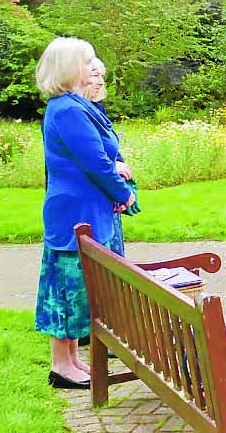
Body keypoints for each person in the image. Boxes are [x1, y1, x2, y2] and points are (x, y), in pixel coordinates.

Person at [34, 37, 136, 390]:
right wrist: (123, 193)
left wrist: (118, 169)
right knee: (66, 289)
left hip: (89, 211)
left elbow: (104, 156)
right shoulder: (67, 110)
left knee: (81, 288)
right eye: (87, 60)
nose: (95, 66)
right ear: (68, 67)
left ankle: (74, 360)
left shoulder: (77, 106)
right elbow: (94, 163)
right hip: (73, 214)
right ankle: (61, 367)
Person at [85, 57, 132, 257]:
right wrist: (114, 169)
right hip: (89, 201)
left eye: (102, 76)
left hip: (108, 195)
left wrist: (120, 163)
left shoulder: (98, 109)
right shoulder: (74, 113)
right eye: (95, 75)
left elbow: (109, 145)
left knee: (114, 257)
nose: (101, 82)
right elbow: (90, 157)